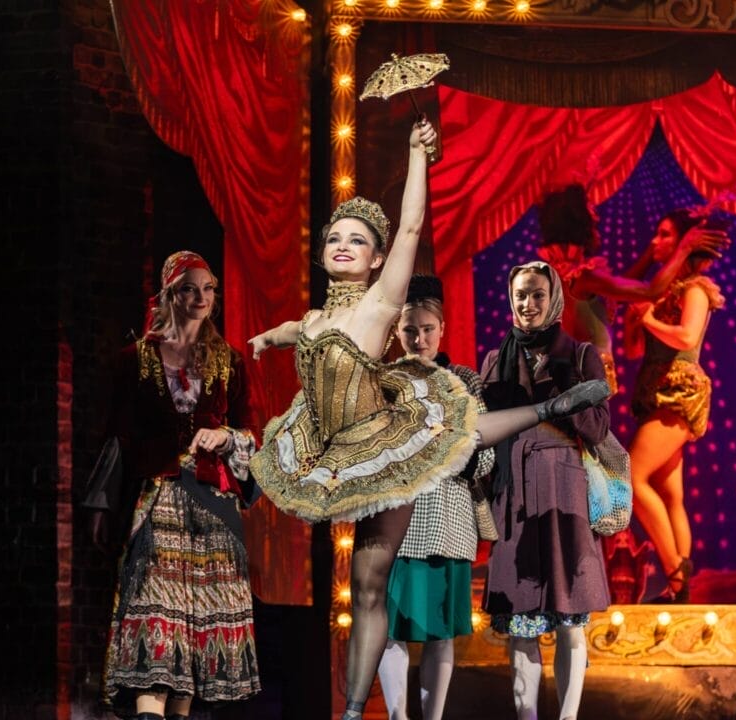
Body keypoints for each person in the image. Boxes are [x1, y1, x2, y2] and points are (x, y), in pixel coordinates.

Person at [247, 121, 609, 720]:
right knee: (365, 590)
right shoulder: (312, 319)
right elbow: (296, 331)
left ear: (378, 257)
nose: (343, 244)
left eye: (358, 240)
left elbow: (411, 224)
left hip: (380, 442)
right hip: (328, 446)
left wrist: (417, 155)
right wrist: (269, 335)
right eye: (335, 236)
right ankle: (367, 707)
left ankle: (355, 709)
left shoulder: (379, 304)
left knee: (383, 569)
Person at [83, 250, 262, 720]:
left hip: (212, 508)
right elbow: (116, 438)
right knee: (156, 620)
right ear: (169, 293)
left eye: (209, 289)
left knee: (198, 636)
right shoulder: (136, 359)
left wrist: (227, 437)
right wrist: (101, 506)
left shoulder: (229, 362)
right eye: (190, 288)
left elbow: (255, 433)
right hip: (158, 502)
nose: (201, 297)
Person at [480, 261, 612, 720]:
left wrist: (567, 385)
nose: (527, 303)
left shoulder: (579, 355)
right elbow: (486, 431)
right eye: (520, 295)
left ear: (552, 298)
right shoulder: (496, 360)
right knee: (521, 622)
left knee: (570, 619)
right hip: (513, 495)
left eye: (537, 295)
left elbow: (597, 430)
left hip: (564, 494)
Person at [375, 275, 493, 720]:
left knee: (441, 631)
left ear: (442, 329)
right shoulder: (382, 382)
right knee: (391, 627)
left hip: (448, 520)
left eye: (427, 328)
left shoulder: (464, 382)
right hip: (395, 523)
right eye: (410, 330)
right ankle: (396, 715)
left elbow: (482, 452)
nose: (419, 338)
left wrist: (450, 453)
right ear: (397, 332)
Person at [622, 208, 726, 602]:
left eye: (664, 235)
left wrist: (648, 319)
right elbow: (635, 350)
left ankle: (675, 572)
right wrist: (637, 323)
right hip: (654, 392)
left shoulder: (695, 289)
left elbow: (686, 337)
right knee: (669, 495)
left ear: (685, 243)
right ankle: (679, 590)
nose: (655, 242)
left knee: (633, 479)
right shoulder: (663, 290)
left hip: (679, 391)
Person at [535, 183, 728, 392]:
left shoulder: (567, 274)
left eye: (664, 236)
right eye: (593, 222)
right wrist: (685, 248)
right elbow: (650, 291)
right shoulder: (584, 276)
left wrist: (650, 254)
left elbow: (619, 290)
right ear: (580, 227)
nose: (596, 224)